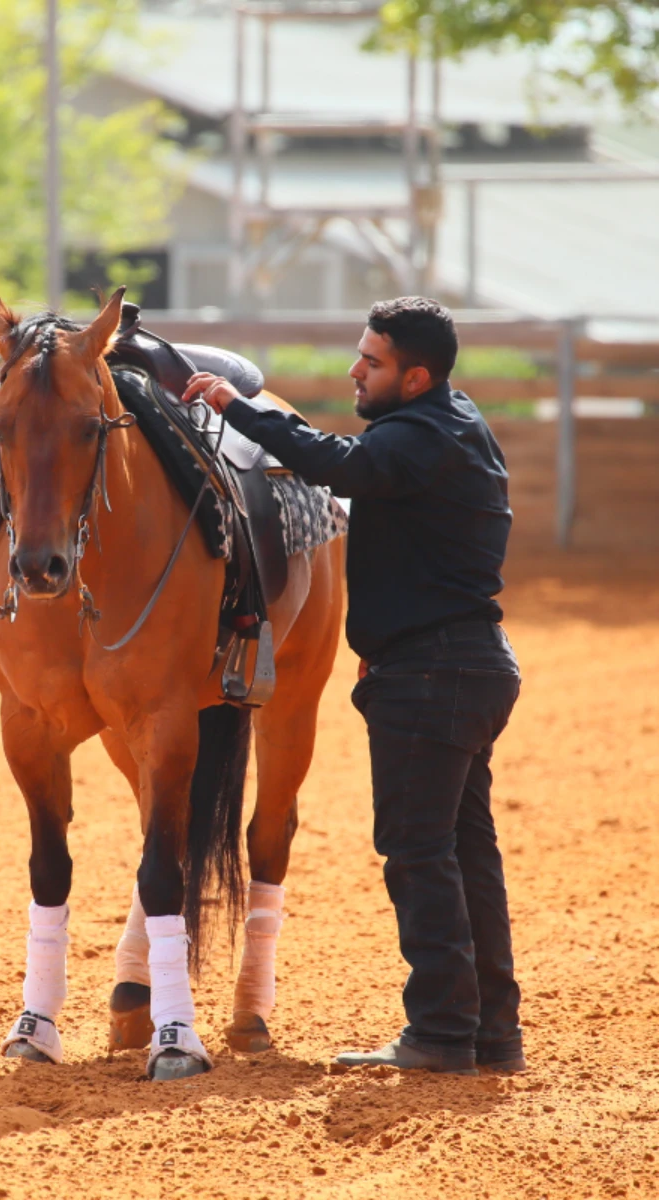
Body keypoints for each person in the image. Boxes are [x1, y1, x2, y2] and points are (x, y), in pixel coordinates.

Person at [181, 297, 524, 1077]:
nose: (353, 370)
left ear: (415, 377)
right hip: (468, 665)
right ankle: (491, 1034)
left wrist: (240, 408)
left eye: (370, 362)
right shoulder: (457, 422)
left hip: (431, 675)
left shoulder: (412, 440)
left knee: (418, 853)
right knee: (467, 852)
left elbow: (336, 463)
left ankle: (440, 1031)